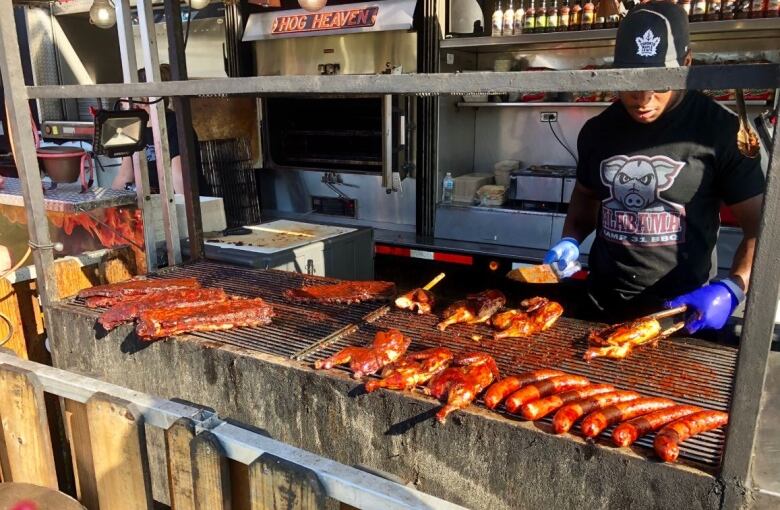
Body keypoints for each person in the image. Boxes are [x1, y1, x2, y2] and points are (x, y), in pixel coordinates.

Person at [544, 2, 764, 333]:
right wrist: (570, 240)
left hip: (682, 315)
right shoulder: (598, 131)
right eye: (631, 80)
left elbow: (760, 229)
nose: (642, 98)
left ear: (686, 64)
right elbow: (585, 200)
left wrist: (733, 287)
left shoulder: (720, 131)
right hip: (602, 308)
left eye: (659, 81)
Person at [111, 64, 207, 196]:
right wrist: (107, 205)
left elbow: (179, 177)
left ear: (141, 99)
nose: (121, 104)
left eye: (123, 99)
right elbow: (125, 176)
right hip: (154, 201)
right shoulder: (130, 128)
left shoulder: (174, 124)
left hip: (182, 200)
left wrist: (184, 211)